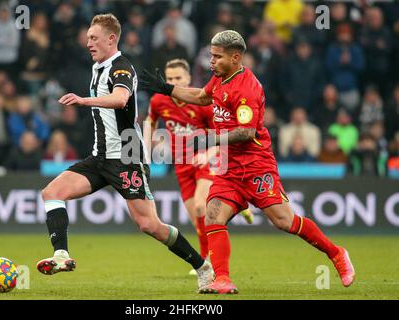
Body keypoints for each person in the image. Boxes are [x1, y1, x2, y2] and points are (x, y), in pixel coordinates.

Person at [140, 30, 355, 294]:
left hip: (256, 166)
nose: (211, 61)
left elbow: (247, 132)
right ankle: (222, 278)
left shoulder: (247, 88)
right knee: (213, 215)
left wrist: (209, 138)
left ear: (236, 57)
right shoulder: (220, 78)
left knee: (284, 222)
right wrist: (167, 88)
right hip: (229, 168)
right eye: (211, 55)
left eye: (217, 57)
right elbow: (202, 97)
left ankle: (336, 253)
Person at [36, 14, 214, 291]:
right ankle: (62, 255)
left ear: (111, 39)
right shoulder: (97, 68)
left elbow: (121, 99)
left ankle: (202, 266)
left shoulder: (121, 67)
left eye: (93, 38)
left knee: (149, 225)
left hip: (127, 156)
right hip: (100, 157)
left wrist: (83, 100)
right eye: (87, 38)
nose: (88, 43)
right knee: (51, 193)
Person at [145, 58, 253, 274]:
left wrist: (209, 153)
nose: (174, 82)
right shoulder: (158, 101)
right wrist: (147, 147)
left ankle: (208, 260)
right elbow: (150, 120)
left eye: (178, 78)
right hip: (181, 163)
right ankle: (236, 213)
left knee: (201, 207)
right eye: (170, 78)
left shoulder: (202, 104)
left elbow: (222, 134)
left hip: (206, 159)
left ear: (188, 79)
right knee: (197, 219)